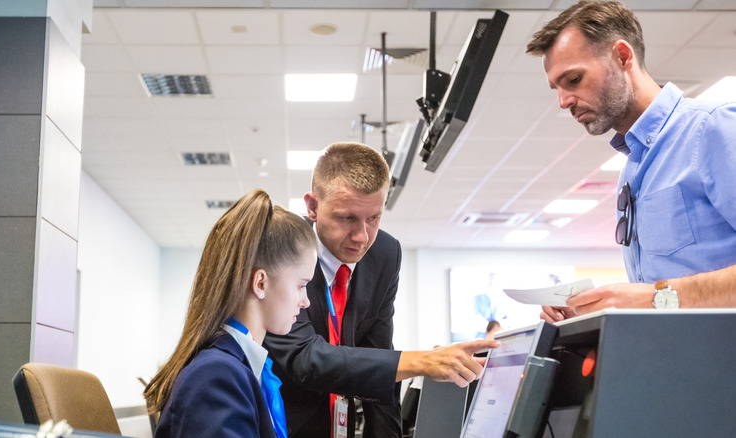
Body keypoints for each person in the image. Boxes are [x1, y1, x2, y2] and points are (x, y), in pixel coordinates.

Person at [264, 143, 499, 438]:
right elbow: (305, 358)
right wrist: (420, 362)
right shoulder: (282, 251)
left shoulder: (384, 254)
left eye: (373, 218)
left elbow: (379, 358)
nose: (362, 236)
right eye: (347, 218)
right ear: (313, 207)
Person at [525, 0, 736, 322]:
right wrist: (597, 305)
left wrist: (655, 299)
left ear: (622, 57)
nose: (563, 101)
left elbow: (661, 297)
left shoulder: (713, 129)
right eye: (557, 88)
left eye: (574, 80)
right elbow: (667, 294)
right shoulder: (633, 169)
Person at [144, 189, 318, 438]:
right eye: (301, 286)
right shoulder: (216, 376)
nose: (306, 301)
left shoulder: (236, 368)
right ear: (261, 283)